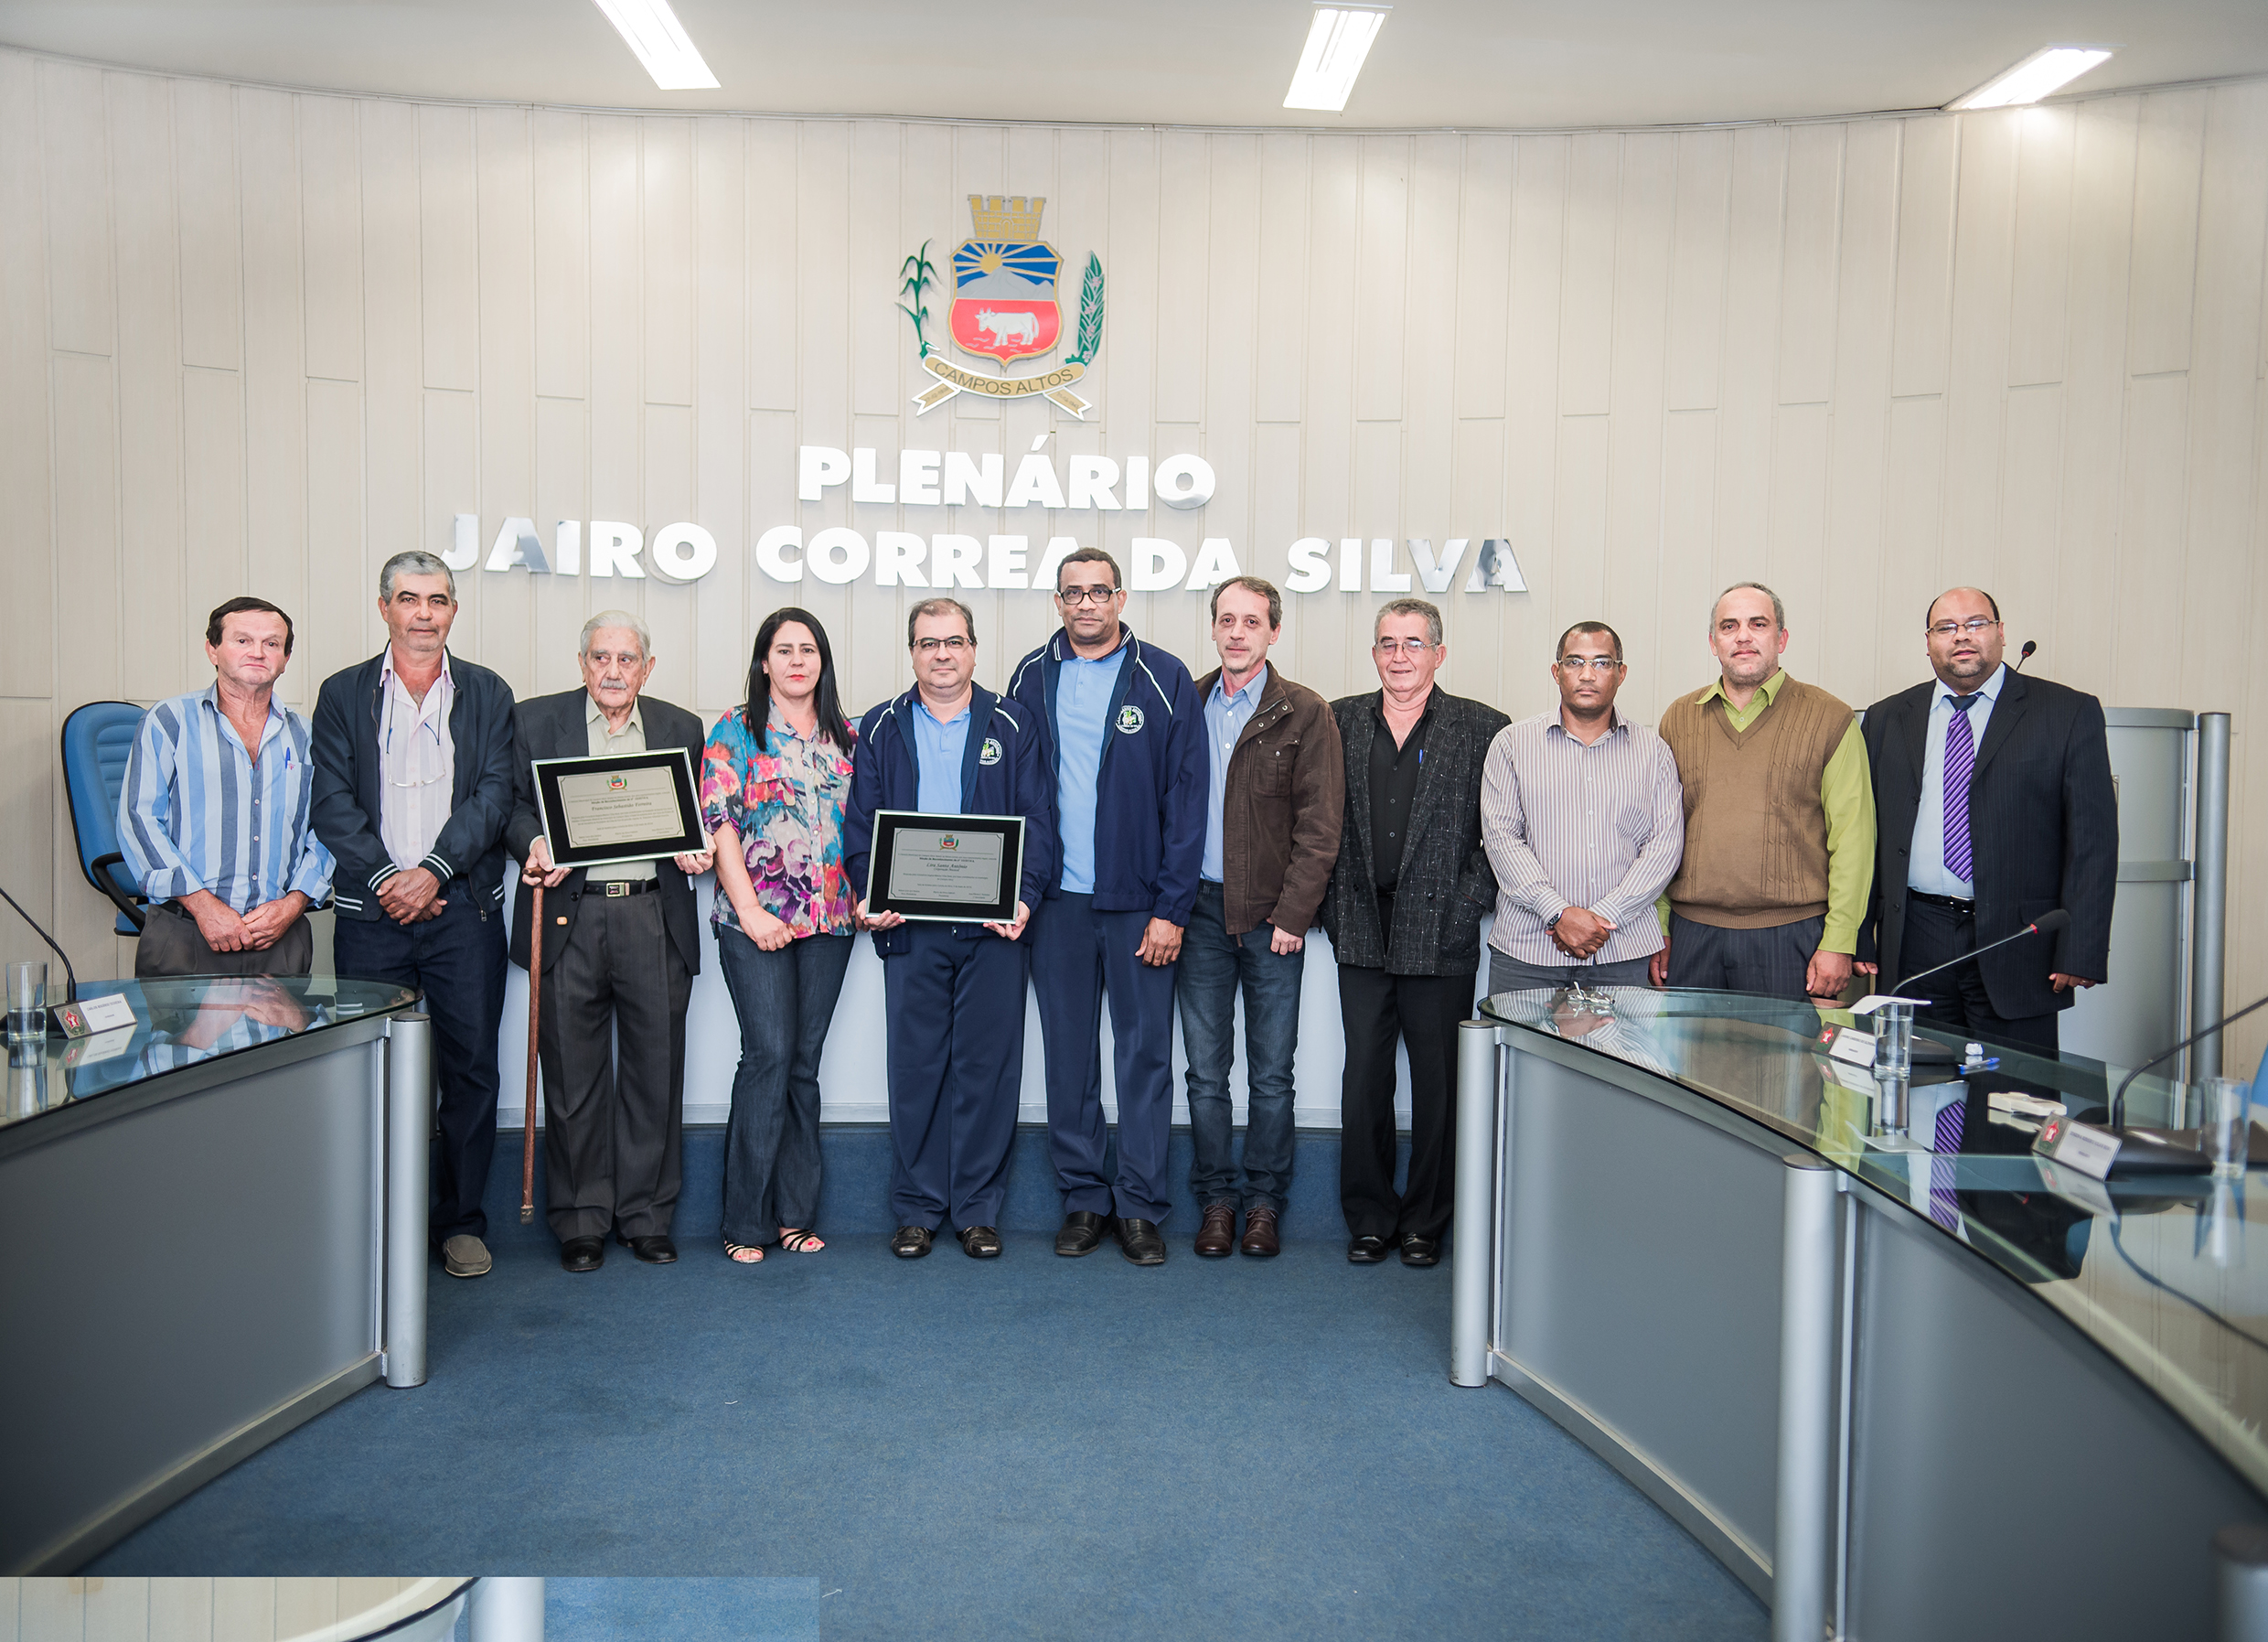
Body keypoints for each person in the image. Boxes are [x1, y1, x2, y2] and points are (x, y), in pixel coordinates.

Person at [312, 551, 519, 1281]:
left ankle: (460, 1222)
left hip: (462, 909)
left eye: (436, 599)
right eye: (408, 598)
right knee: (366, 1067)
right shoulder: (342, 692)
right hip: (370, 914)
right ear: (385, 608)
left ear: (453, 610)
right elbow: (330, 800)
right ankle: (374, 1222)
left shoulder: (488, 691)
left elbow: (495, 794)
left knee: (471, 1069)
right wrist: (386, 879)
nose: (423, 613)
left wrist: (432, 871)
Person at [1007, 549, 1204, 1266]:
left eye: (1099, 591)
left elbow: (1188, 801)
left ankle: (1141, 1204)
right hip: (1056, 903)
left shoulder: (1165, 677)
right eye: (1073, 592)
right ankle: (1085, 1198)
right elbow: (1012, 792)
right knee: (1068, 1056)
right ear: (1058, 601)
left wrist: (1171, 908)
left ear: (1120, 597)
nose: (1086, 603)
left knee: (1144, 1055)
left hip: (1138, 906)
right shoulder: (1030, 675)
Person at [844, 597, 1055, 1261]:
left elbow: (1039, 820)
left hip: (992, 930)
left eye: (954, 641)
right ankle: (916, 1209)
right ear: (912, 651)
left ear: (973, 649)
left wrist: (1024, 898)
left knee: (987, 1071)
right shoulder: (880, 726)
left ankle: (976, 1211)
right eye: (929, 642)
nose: (942, 654)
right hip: (910, 929)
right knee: (916, 1071)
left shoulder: (1013, 722)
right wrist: (870, 893)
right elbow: (861, 825)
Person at [507, 612, 712, 1273]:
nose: (613, 671)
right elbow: (511, 805)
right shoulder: (536, 722)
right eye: (601, 657)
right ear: (582, 663)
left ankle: (647, 1217)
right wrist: (533, 840)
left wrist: (697, 845)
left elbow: (698, 813)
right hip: (570, 917)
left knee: (656, 1073)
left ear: (647, 669)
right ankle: (580, 1221)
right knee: (572, 1079)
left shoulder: (682, 728)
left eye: (627, 659)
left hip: (653, 914)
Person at [1323, 598, 1509, 1268]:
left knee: (1440, 1087)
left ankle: (1426, 1221)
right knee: (1364, 1082)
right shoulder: (1338, 719)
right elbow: (1316, 819)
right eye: (1387, 643)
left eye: (1413, 643)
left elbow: (1501, 831)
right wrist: (1329, 907)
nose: (1399, 656)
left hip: (1441, 931)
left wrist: (1467, 904)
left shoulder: (1485, 728)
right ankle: (1370, 1218)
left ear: (1439, 653)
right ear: (1374, 652)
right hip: (1361, 926)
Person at [1857, 587, 2116, 1052]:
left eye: (1976, 623)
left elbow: (2093, 842)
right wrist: (1860, 935)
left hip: (2018, 941)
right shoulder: (1886, 718)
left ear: (2000, 633)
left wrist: (2081, 946)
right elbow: (1865, 837)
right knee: (1918, 1081)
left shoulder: (2067, 712)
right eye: (1946, 628)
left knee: (2012, 1091)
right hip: (1915, 935)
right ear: (1928, 642)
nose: (1962, 636)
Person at [1176, 576, 1343, 1260]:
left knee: (1272, 1074)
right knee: (1205, 1074)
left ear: (1274, 631)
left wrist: (1294, 914)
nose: (1237, 633)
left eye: (1252, 621)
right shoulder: (1184, 703)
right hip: (1197, 915)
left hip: (1274, 919)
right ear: (1213, 628)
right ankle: (1217, 1201)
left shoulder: (1305, 712)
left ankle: (1264, 1205)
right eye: (1227, 620)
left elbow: (1320, 827)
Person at [700, 607, 860, 1266]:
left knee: (802, 1063)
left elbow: (870, 826)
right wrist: (751, 909)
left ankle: (795, 1215)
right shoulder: (735, 729)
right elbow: (719, 823)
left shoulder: (848, 735)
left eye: (809, 649)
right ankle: (744, 1220)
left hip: (831, 921)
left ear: (823, 661)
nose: (797, 660)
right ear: (764, 661)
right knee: (767, 1056)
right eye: (784, 649)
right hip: (754, 921)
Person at [1652, 583, 1876, 1004]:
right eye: (1729, 626)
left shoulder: (1830, 717)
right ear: (1713, 642)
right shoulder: (1679, 719)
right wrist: (1659, 926)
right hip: (1692, 935)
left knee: (1788, 1051)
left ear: (1781, 638)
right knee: (1689, 1051)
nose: (1743, 636)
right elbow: (1661, 833)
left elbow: (1854, 840)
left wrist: (1840, 939)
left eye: (1758, 624)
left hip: (1793, 937)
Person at [118, 597, 335, 978]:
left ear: (285, 659)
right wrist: (204, 907)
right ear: (212, 650)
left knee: (285, 1024)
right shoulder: (169, 721)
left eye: (271, 643)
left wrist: (295, 903)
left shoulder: (308, 736)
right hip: (185, 933)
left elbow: (328, 827)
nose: (258, 652)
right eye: (242, 640)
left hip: (280, 935)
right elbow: (139, 820)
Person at [1480, 621, 1683, 994]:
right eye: (1574, 662)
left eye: (1602, 663)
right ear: (1556, 672)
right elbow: (1502, 840)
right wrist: (1557, 913)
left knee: (1622, 1039)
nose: (1587, 674)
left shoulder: (1654, 753)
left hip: (1622, 952)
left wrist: (1604, 917)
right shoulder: (1511, 745)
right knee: (1515, 1038)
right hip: (1527, 953)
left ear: (1621, 673)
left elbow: (1664, 847)